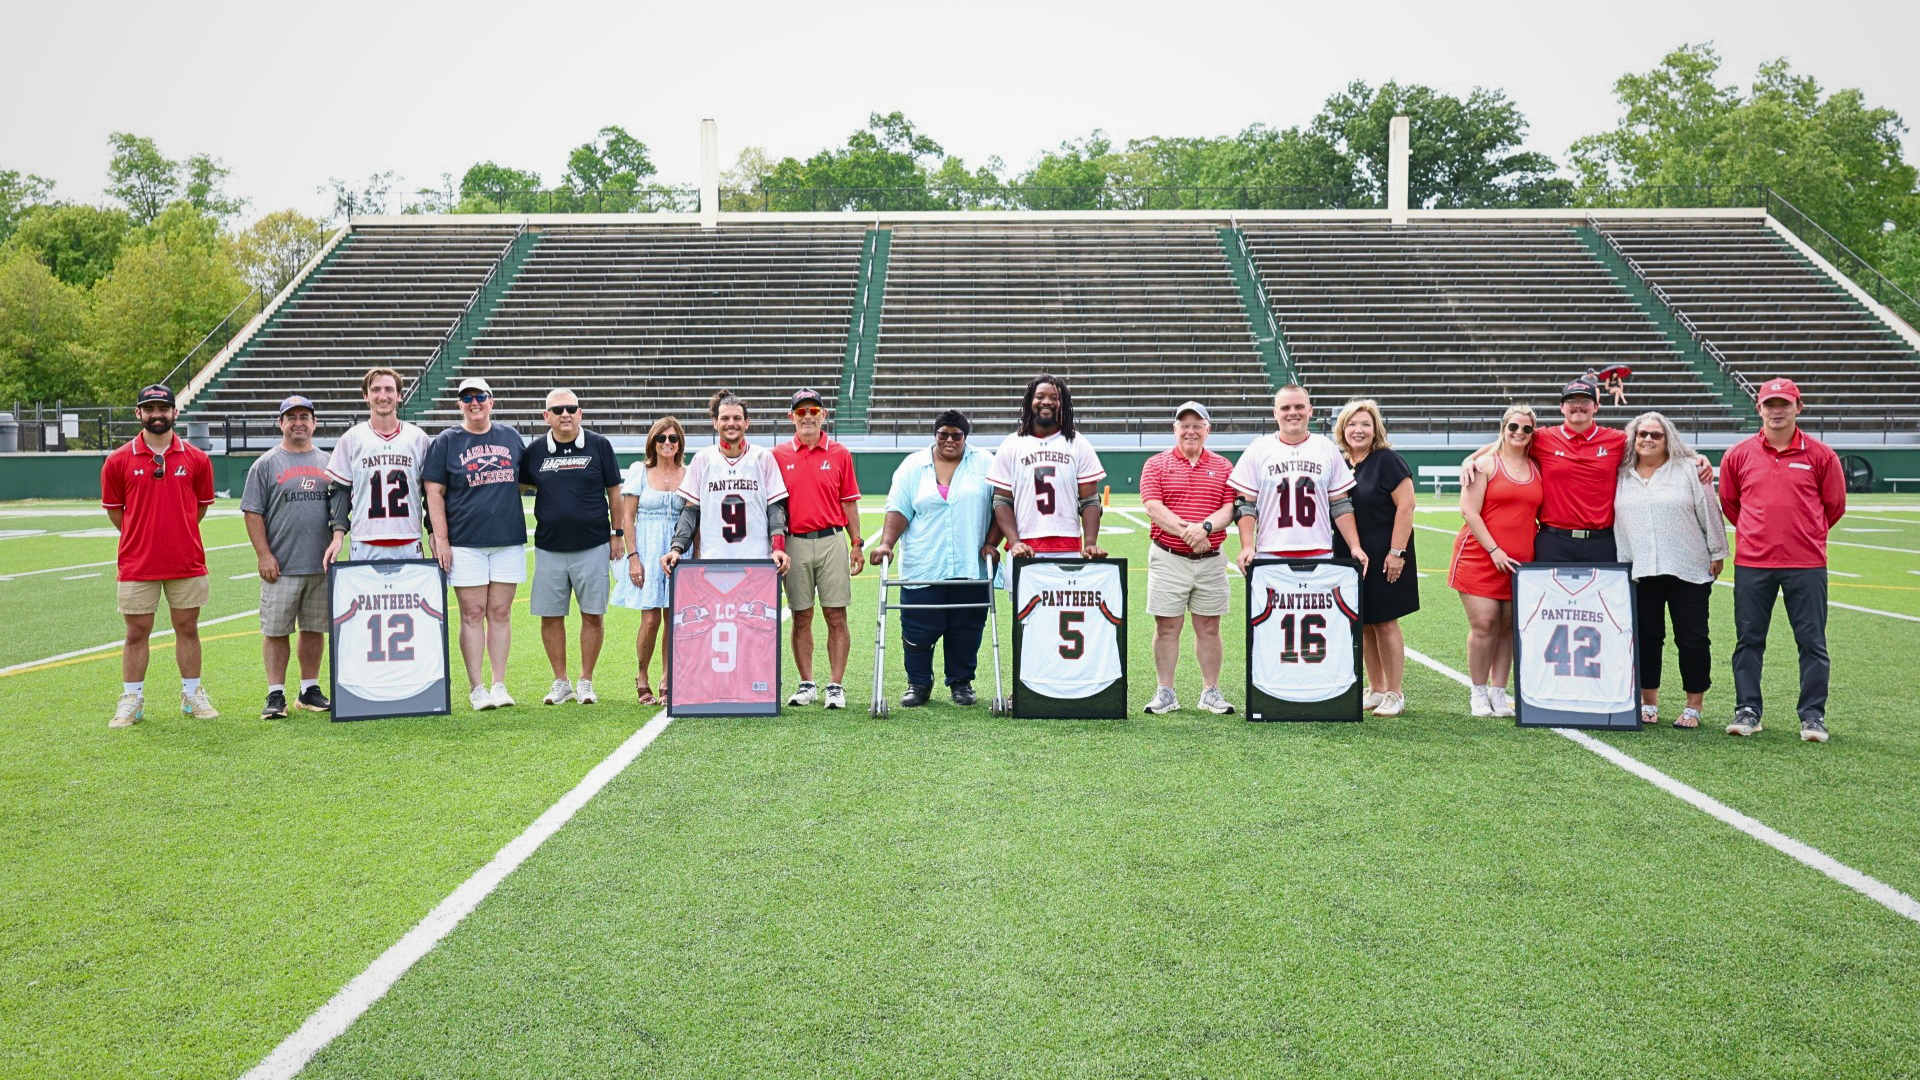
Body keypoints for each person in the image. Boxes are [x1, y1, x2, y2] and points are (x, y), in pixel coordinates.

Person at [1718, 378, 1847, 742]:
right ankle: (1748, 710)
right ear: (1758, 409)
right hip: (1753, 563)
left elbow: (1834, 506)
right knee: (1749, 640)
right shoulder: (1738, 454)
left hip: (1806, 563)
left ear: (1798, 407)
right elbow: (1730, 504)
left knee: (1811, 642)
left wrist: (1804, 535)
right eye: (1770, 404)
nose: (1777, 411)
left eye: (1784, 404)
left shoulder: (1822, 455)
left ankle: (1812, 716)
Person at [1465, 378, 1710, 563]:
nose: (1578, 406)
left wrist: (1695, 457)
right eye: (1572, 401)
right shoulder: (1543, 438)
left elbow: (1654, 445)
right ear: (1562, 407)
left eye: (1585, 401)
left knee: (1601, 615)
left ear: (1596, 406)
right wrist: (1470, 459)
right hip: (1553, 540)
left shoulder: (1616, 440)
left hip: (1601, 541)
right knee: (1551, 613)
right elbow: (1505, 443)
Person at [101, 384, 218, 728]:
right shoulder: (118, 460)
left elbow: (198, 508)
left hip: (186, 560)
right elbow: (116, 513)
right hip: (138, 562)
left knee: (188, 627)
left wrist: (174, 533)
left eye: (163, 408)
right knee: (136, 631)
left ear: (174, 413)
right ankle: (132, 699)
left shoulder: (197, 459)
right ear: (138, 413)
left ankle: (192, 695)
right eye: (149, 409)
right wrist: (144, 535)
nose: (157, 414)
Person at [866, 410, 1002, 707]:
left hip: (969, 563)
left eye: (957, 435)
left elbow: (1001, 506)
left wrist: (992, 543)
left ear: (966, 436)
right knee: (918, 629)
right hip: (925, 563)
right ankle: (918, 683)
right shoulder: (913, 466)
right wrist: (887, 544)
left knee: (966, 629)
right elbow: (898, 509)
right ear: (935, 435)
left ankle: (961, 683)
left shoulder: (986, 463)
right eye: (943, 435)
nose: (950, 440)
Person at [1614, 411, 1728, 730]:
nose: (1648, 439)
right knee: (1647, 638)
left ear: (1668, 439)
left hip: (1688, 567)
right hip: (1641, 568)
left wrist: (1717, 550)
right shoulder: (1621, 474)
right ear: (1633, 439)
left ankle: (1694, 705)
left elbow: (1709, 510)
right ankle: (1648, 702)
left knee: (1692, 638)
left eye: (1656, 434)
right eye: (1642, 434)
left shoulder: (1690, 470)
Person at [423, 376, 527, 712]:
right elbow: (433, 492)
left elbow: (523, 480)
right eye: (467, 398)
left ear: (491, 401)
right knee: (471, 612)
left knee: (500, 612)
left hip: (507, 540)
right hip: (465, 541)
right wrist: (441, 539)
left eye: (480, 396)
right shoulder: (447, 441)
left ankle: (499, 683)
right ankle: (477, 687)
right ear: (460, 404)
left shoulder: (509, 436)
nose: (474, 402)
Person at [519, 389, 622, 706]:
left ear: (581, 413)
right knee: (551, 616)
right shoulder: (535, 451)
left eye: (571, 408)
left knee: (592, 614)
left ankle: (586, 681)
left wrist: (616, 533)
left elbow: (614, 492)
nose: (565, 414)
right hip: (549, 547)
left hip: (592, 545)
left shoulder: (599, 445)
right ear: (545, 415)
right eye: (558, 409)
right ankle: (560, 681)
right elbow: (520, 487)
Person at [1137, 400, 1237, 716]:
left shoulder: (1223, 466)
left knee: (1209, 626)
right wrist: (1189, 532)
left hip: (1210, 558)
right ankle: (1165, 690)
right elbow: (1153, 506)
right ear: (1175, 429)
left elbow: (1230, 507)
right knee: (1167, 626)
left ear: (1207, 430)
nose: (1190, 431)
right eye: (1185, 425)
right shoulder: (1156, 464)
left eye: (1197, 425)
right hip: (1169, 556)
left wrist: (1205, 528)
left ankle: (1210, 691)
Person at [241, 395, 335, 720]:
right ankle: (275, 693)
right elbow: (252, 512)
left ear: (314, 422)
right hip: (280, 566)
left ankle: (308, 689)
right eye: (291, 417)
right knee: (277, 630)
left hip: (319, 563)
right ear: (280, 423)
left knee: (314, 628)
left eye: (304, 416)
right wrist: (264, 555)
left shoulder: (329, 462)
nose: (298, 422)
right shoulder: (266, 464)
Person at [1449, 404, 1543, 718]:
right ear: (1503, 428)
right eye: (1513, 427)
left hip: (1519, 562)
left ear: (1533, 434)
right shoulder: (1485, 465)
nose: (1519, 433)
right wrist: (1494, 550)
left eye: (1526, 429)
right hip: (1480, 555)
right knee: (1485, 623)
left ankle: (1499, 693)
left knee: (1507, 627)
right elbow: (1468, 511)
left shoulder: (1536, 466)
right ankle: (1478, 692)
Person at [773, 388, 864, 711]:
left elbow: (849, 501)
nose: (808, 416)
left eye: (813, 410)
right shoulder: (779, 455)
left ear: (823, 415)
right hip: (795, 542)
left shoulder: (840, 453)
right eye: (801, 412)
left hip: (831, 540)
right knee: (801, 616)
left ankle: (836, 685)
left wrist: (856, 543)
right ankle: (807, 682)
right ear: (791, 418)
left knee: (836, 615)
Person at [1331, 398, 1419, 717]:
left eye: (1366, 424)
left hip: (1385, 551)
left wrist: (1397, 552)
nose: (1359, 429)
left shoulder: (1387, 460)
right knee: (1364, 622)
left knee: (1384, 622)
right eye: (1352, 424)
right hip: (1351, 551)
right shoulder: (1342, 463)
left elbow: (1406, 506)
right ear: (1342, 429)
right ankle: (1377, 687)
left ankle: (1395, 692)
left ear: (1376, 429)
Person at [1229, 385, 1368, 577]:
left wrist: (1355, 546)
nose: (1293, 413)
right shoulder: (1258, 449)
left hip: (1320, 552)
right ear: (1275, 413)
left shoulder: (1326, 448)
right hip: (1270, 554)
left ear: (1310, 410)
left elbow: (1340, 504)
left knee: (1317, 608)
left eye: (1299, 407)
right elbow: (1245, 504)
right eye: (1285, 408)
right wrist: (1246, 546)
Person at [664, 390, 790, 574]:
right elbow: (690, 512)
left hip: (757, 562)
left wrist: (778, 548)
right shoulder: (703, 459)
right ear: (715, 423)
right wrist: (677, 548)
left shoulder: (763, 457)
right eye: (725, 418)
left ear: (747, 422)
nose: (731, 423)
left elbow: (775, 509)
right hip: (714, 561)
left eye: (737, 418)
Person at [988, 374, 1107, 560]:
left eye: (1054, 398)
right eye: (1040, 397)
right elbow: (1002, 501)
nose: (1046, 402)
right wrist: (1015, 541)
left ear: (1064, 404)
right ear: (1030, 401)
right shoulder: (1011, 444)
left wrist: (1090, 543)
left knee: (1066, 591)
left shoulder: (1078, 444)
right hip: (1023, 548)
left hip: (1068, 547)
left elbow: (1090, 500)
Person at [324, 366, 434, 564]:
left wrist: (433, 533)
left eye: (389, 389)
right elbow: (339, 491)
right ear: (366, 396)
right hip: (364, 542)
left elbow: (431, 494)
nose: (382, 396)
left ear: (399, 395)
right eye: (375, 390)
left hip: (409, 540)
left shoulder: (418, 438)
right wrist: (338, 536)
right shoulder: (352, 438)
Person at [611, 416, 686, 706]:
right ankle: (642, 675)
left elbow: (694, 516)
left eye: (673, 438)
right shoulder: (639, 470)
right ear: (652, 442)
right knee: (651, 618)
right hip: (648, 547)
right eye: (661, 438)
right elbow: (628, 517)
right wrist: (633, 558)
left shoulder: (687, 472)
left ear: (680, 443)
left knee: (674, 620)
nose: (667, 443)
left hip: (680, 550)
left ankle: (668, 679)